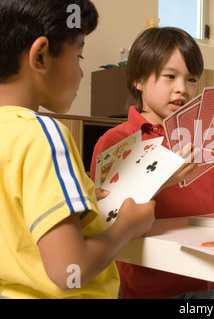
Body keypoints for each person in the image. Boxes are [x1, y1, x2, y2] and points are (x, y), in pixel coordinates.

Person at [0, 0, 156, 299]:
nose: (82, 74)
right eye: (79, 56)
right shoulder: (44, 134)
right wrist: (126, 227)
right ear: (41, 55)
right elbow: (69, 268)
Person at [90, 27, 214, 299]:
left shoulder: (203, 136)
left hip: (200, 280)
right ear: (139, 79)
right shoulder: (116, 141)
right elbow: (109, 217)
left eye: (191, 79)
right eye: (170, 76)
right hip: (145, 285)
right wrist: (165, 179)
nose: (182, 88)